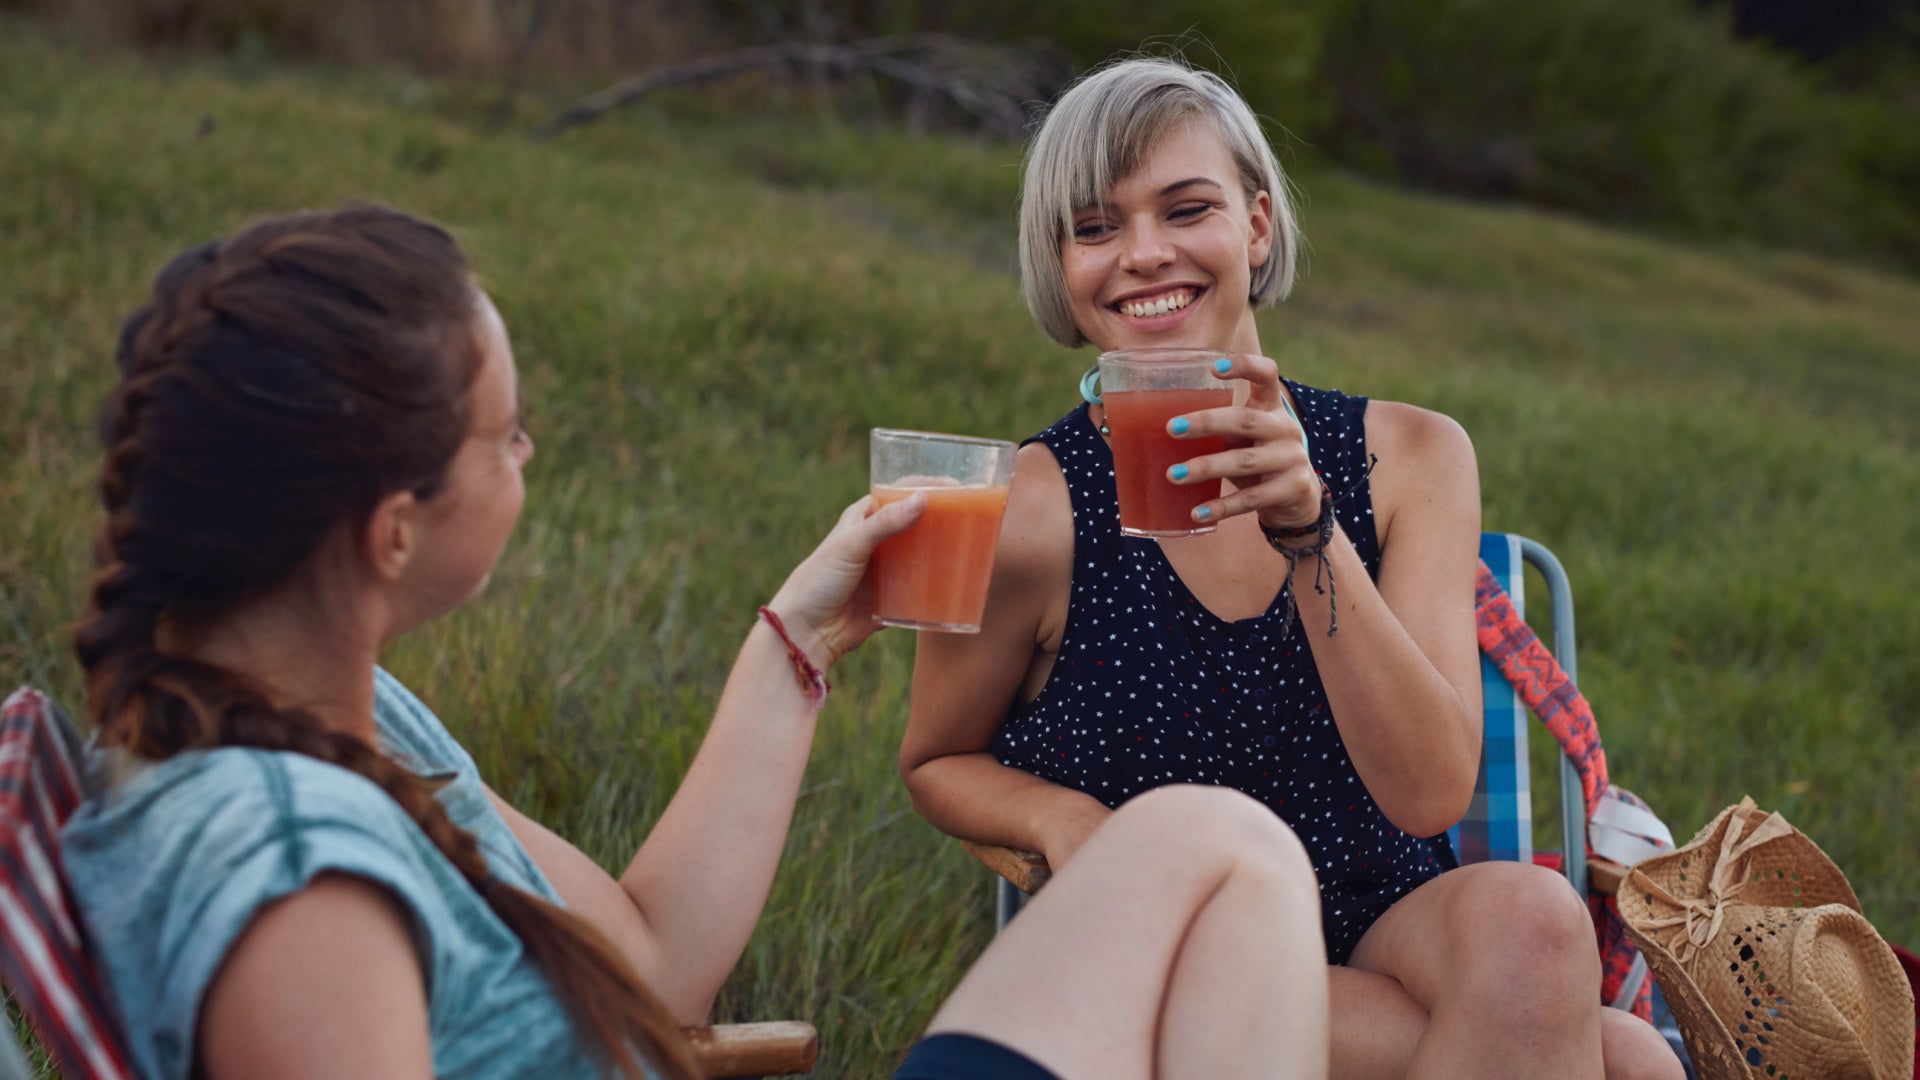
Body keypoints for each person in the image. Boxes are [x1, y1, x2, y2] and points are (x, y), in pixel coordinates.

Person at [59, 202, 1331, 1080]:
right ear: (394, 529)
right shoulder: (296, 877)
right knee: (1225, 866)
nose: (529, 453)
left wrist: (800, 639)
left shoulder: (329, 713)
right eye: (506, 433)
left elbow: (651, 962)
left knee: (1214, 846)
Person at [897, 57, 1684, 1080]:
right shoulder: (1030, 511)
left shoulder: (1410, 457)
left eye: (1186, 209)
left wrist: (1312, 529)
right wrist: (1061, 817)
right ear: (1061, 263)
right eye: (1094, 228)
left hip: (1388, 920)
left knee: (1534, 920)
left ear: (1258, 226)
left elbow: (1431, 795)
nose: (1142, 254)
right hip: (1177, 934)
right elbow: (933, 759)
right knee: (1623, 1061)